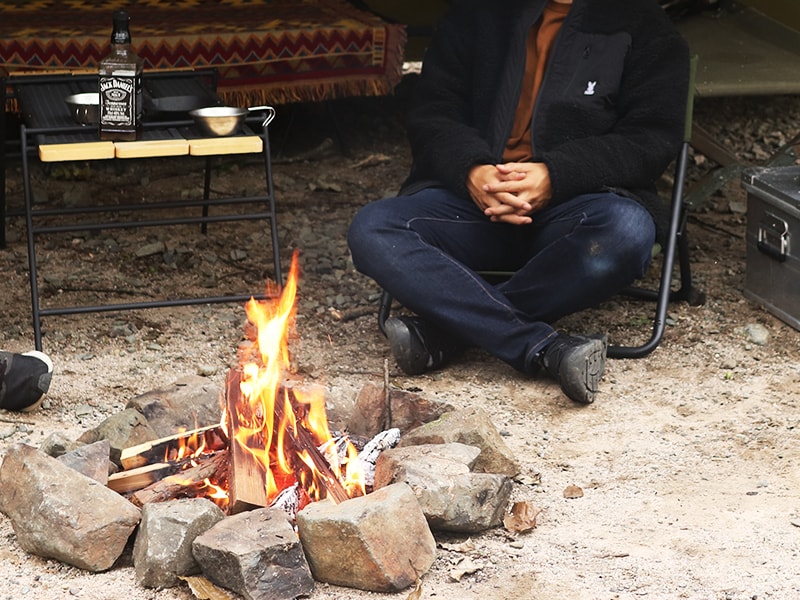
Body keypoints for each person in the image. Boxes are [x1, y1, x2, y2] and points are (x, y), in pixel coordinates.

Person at [347, 0, 690, 404]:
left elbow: (650, 139)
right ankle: (542, 346)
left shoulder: (642, 22)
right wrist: (472, 171)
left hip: (574, 208)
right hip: (476, 204)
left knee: (627, 232)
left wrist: (556, 175)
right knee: (373, 228)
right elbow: (432, 113)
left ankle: (446, 333)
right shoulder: (477, 12)